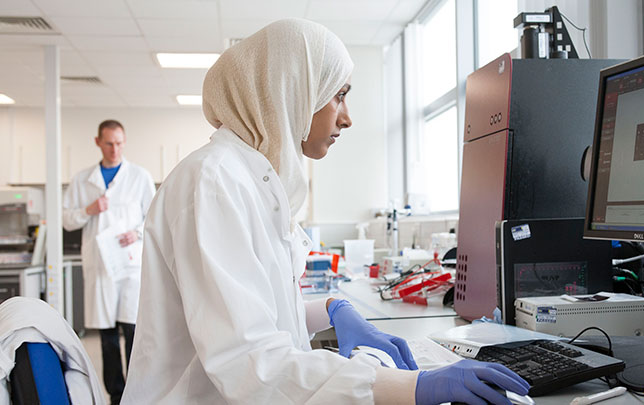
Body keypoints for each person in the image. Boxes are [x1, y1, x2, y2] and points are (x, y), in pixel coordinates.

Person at [122, 19, 529, 405]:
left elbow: (248, 312)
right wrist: (412, 386)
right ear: (292, 90)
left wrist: (330, 308)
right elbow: (250, 363)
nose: (347, 117)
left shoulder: (249, 180)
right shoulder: (213, 182)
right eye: (338, 94)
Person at [63, 119, 156, 405]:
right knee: (106, 334)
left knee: (132, 330)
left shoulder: (139, 177)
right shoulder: (82, 180)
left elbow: (152, 218)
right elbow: (66, 220)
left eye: (119, 143)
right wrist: (88, 210)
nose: (114, 149)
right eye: (109, 143)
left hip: (129, 266)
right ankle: (116, 394)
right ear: (98, 142)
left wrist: (136, 232)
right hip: (100, 266)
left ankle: (136, 392)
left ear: (124, 142)